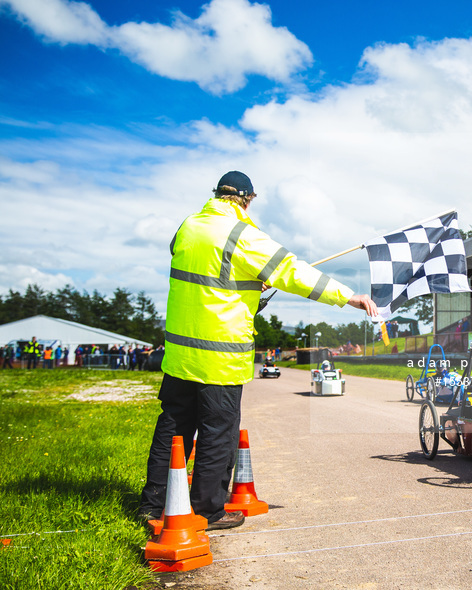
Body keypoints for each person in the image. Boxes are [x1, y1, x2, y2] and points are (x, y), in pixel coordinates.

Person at [139, 171, 378, 531]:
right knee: (218, 431)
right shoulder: (243, 235)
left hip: (179, 352)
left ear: (217, 194)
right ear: (247, 199)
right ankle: (206, 510)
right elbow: (293, 271)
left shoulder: (187, 227)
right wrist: (348, 296)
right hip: (218, 355)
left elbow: (211, 273)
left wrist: (251, 278)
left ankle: (154, 502)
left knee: (172, 426)